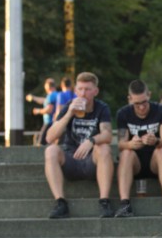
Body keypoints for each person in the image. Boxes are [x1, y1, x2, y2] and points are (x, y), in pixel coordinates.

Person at [43, 72, 114, 219]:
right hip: (71, 159)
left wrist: (91, 141)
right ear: (75, 90)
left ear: (95, 91)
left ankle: (104, 202)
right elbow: (49, 137)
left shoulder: (101, 108)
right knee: (51, 151)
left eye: (88, 89)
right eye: (80, 89)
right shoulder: (69, 107)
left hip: (92, 162)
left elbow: (107, 134)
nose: (83, 93)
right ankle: (61, 203)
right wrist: (69, 113)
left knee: (104, 148)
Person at [114, 80, 162, 217]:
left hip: (155, 159)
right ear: (130, 99)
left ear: (149, 95)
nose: (141, 107)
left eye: (144, 102)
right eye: (137, 103)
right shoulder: (123, 113)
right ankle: (124, 204)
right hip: (134, 161)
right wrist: (131, 144)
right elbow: (121, 144)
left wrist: (156, 140)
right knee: (126, 153)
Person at [26, 78, 58, 146]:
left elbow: (49, 110)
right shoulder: (56, 95)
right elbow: (44, 100)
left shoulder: (51, 96)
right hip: (55, 123)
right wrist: (33, 98)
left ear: (48, 87)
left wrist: (38, 111)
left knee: (41, 143)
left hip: (49, 122)